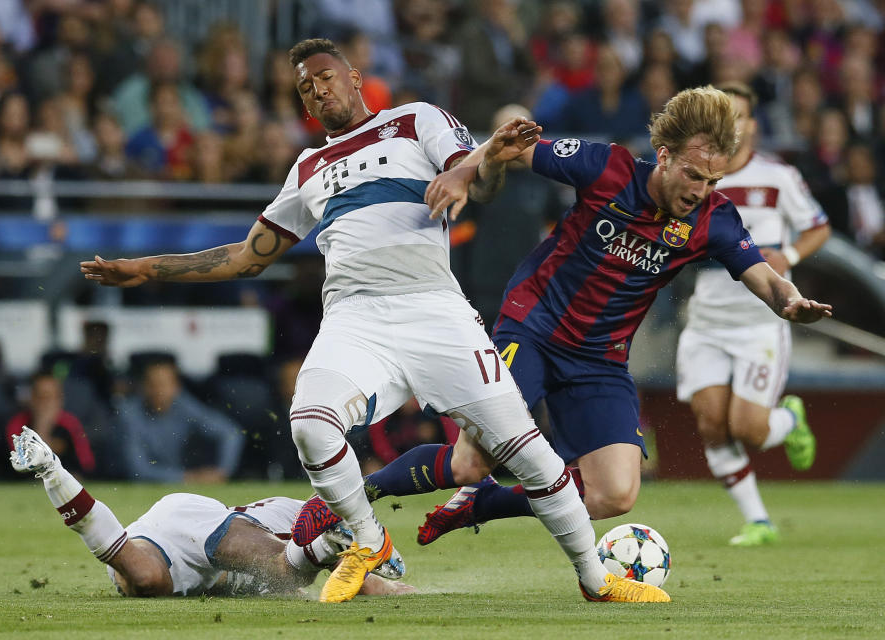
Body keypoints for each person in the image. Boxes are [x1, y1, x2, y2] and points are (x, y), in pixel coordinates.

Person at [81, 38, 669, 604]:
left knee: (527, 453)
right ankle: (365, 540)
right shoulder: (308, 168)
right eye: (304, 87)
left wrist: (485, 161)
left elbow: (480, 181)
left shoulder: (416, 120)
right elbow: (245, 256)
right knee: (310, 424)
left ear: (355, 76)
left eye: (325, 76)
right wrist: (149, 268)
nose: (316, 90)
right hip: (354, 317)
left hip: (433, 305)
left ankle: (596, 578)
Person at [291, 86, 832, 551]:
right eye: (693, 175)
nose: (700, 191)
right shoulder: (607, 168)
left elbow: (762, 275)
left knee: (614, 494)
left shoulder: (713, 220)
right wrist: (465, 171)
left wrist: (788, 301)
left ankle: (482, 508)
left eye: (712, 182)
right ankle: (346, 498)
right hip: (533, 329)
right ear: (664, 156)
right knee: (467, 464)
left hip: (599, 361)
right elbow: (512, 145)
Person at [675, 82, 829, 546]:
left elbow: (818, 227)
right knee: (710, 424)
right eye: (724, 117)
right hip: (706, 320)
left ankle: (790, 421)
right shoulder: (696, 176)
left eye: (740, 116)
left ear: (754, 125)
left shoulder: (778, 177)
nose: (733, 126)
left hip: (760, 322)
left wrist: (791, 258)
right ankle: (758, 520)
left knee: (748, 429)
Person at [9, 426, 410, 598]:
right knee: (284, 571)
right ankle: (53, 472)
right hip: (191, 530)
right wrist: (391, 585)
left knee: (146, 581)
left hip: (179, 540)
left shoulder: (297, 517)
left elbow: (358, 579)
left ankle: (52, 471)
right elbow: (360, 580)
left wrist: (382, 580)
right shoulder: (294, 516)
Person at [116, 357, 244, 483]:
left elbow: (231, 433)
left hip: (176, 479)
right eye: (153, 385)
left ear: (176, 387)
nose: (158, 391)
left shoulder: (183, 406)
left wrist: (222, 472)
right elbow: (138, 471)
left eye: (164, 384)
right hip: (122, 482)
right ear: (143, 387)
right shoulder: (128, 413)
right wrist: (190, 478)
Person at [6, 371, 96, 477]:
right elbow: (19, 465)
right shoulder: (18, 423)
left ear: (60, 400)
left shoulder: (70, 424)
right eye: (41, 397)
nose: (46, 404)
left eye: (51, 398)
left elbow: (87, 465)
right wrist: (42, 428)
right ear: (32, 399)